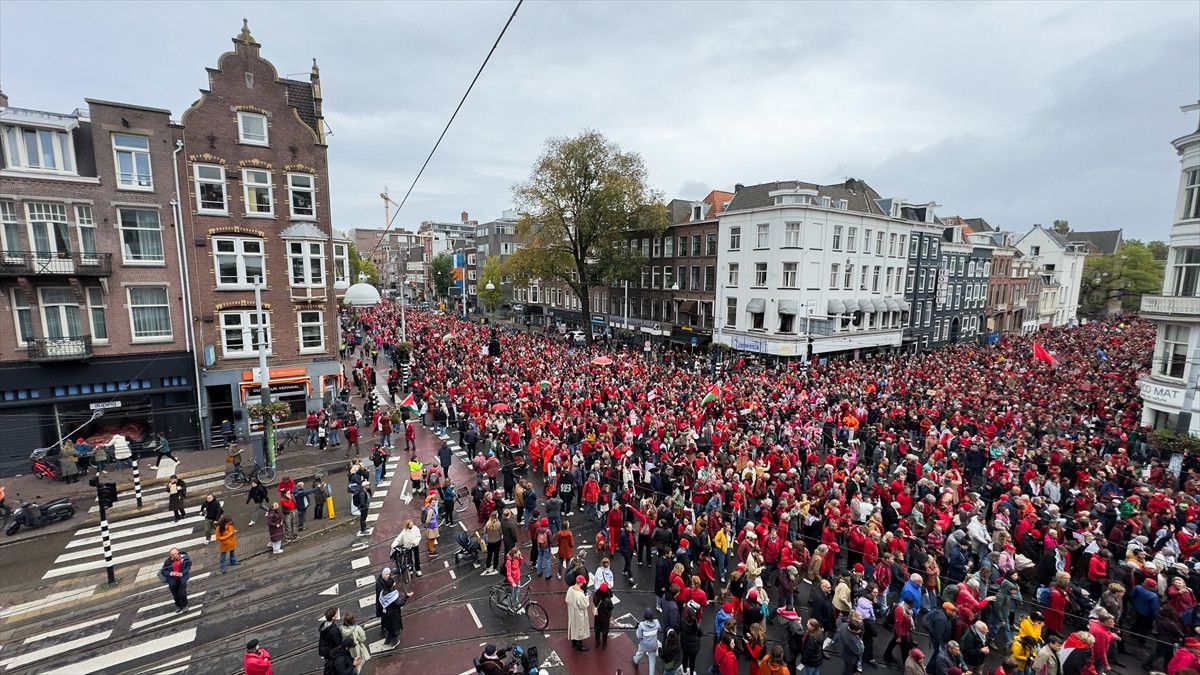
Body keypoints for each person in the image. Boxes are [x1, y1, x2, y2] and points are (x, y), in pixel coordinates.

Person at [379, 576, 412, 647]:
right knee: (395, 630)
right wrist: (407, 597)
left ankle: (387, 642)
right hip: (394, 616)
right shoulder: (393, 596)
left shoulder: (382, 593)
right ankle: (394, 643)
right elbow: (400, 603)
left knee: (389, 629)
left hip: (386, 614)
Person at [160, 547, 191, 612]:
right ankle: (179, 605)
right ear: (170, 555)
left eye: (175, 554)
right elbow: (163, 570)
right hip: (172, 581)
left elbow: (188, 567)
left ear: (178, 553)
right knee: (175, 595)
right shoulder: (167, 561)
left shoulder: (185, 558)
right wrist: (171, 573)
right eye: (172, 555)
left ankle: (185, 605)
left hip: (182, 579)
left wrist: (182, 573)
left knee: (182, 593)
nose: (174, 556)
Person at [633, 607, 661, 675]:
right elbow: (660, 629)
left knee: (639, 653)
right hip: (653, 645)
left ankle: (635, 661)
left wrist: (637, 629)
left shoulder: (641, 625)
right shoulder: (657, 622)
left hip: (644, 645)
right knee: (652, 661)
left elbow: (639, 636)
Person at [566, 575, 592, 651]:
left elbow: (567, 599)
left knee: (573, 626)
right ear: (580, 583)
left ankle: (573, 642)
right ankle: (579, 645)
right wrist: (587, 596)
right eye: (582, 583)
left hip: (571, 612)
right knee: (580, 628)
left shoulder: (570, 589)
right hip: (578, 614)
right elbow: (584, 605)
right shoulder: (580, 594)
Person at [680, 601, 704, 674]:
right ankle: (691, 673)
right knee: (692, 661)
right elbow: (701, 634)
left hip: (685, 645)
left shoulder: (683, 621)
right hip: (694, 647)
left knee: (685, 657)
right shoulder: (697, 626)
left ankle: (684, 670)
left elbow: (680, 629)